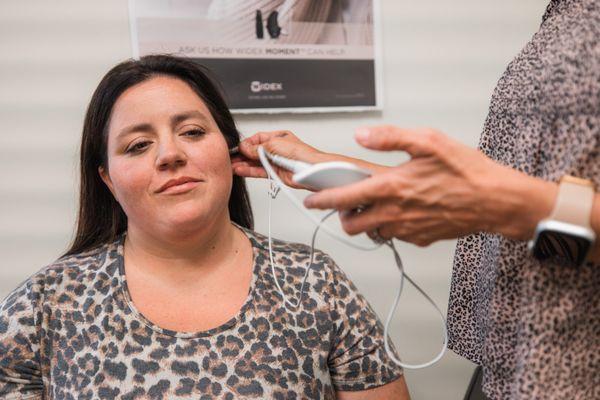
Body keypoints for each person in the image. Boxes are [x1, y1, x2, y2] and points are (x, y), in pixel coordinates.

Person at [232, 0, 600, 399]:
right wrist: (329, 167)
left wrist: (503, 208)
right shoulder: (564, 16)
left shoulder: (315, 281)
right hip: (520, 354)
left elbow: (515, 201)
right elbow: (528, 189)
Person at [0, 55, 409, 399]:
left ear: (231, 149)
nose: (170, 154)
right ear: (108, 179)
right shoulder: (44, 306)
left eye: (192, 132)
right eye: (138, 145)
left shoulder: (314, 282)